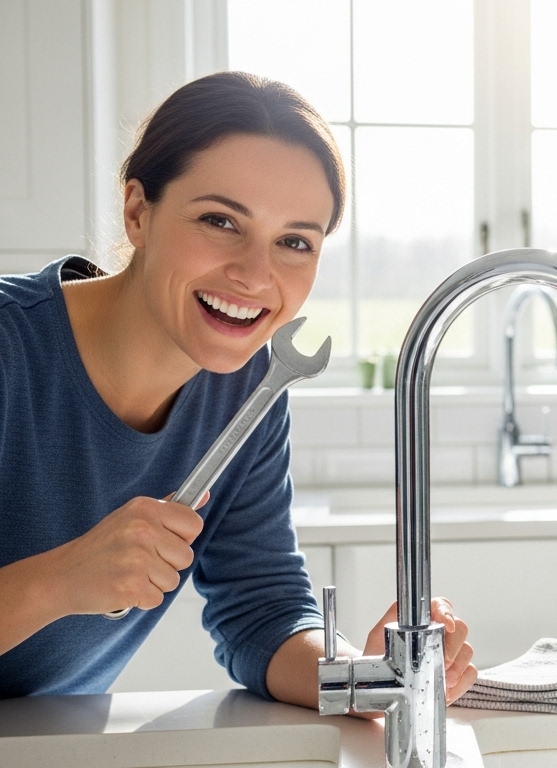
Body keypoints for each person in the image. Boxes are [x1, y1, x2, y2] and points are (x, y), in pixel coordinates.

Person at [0, 71, 476, 709]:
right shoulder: (10, 350)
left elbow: (263, 613)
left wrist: (368, 680)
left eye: (294, 242)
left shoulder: (251, 387)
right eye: (220, 221)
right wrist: (57, 582)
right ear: (137, 211)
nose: (256, 274)